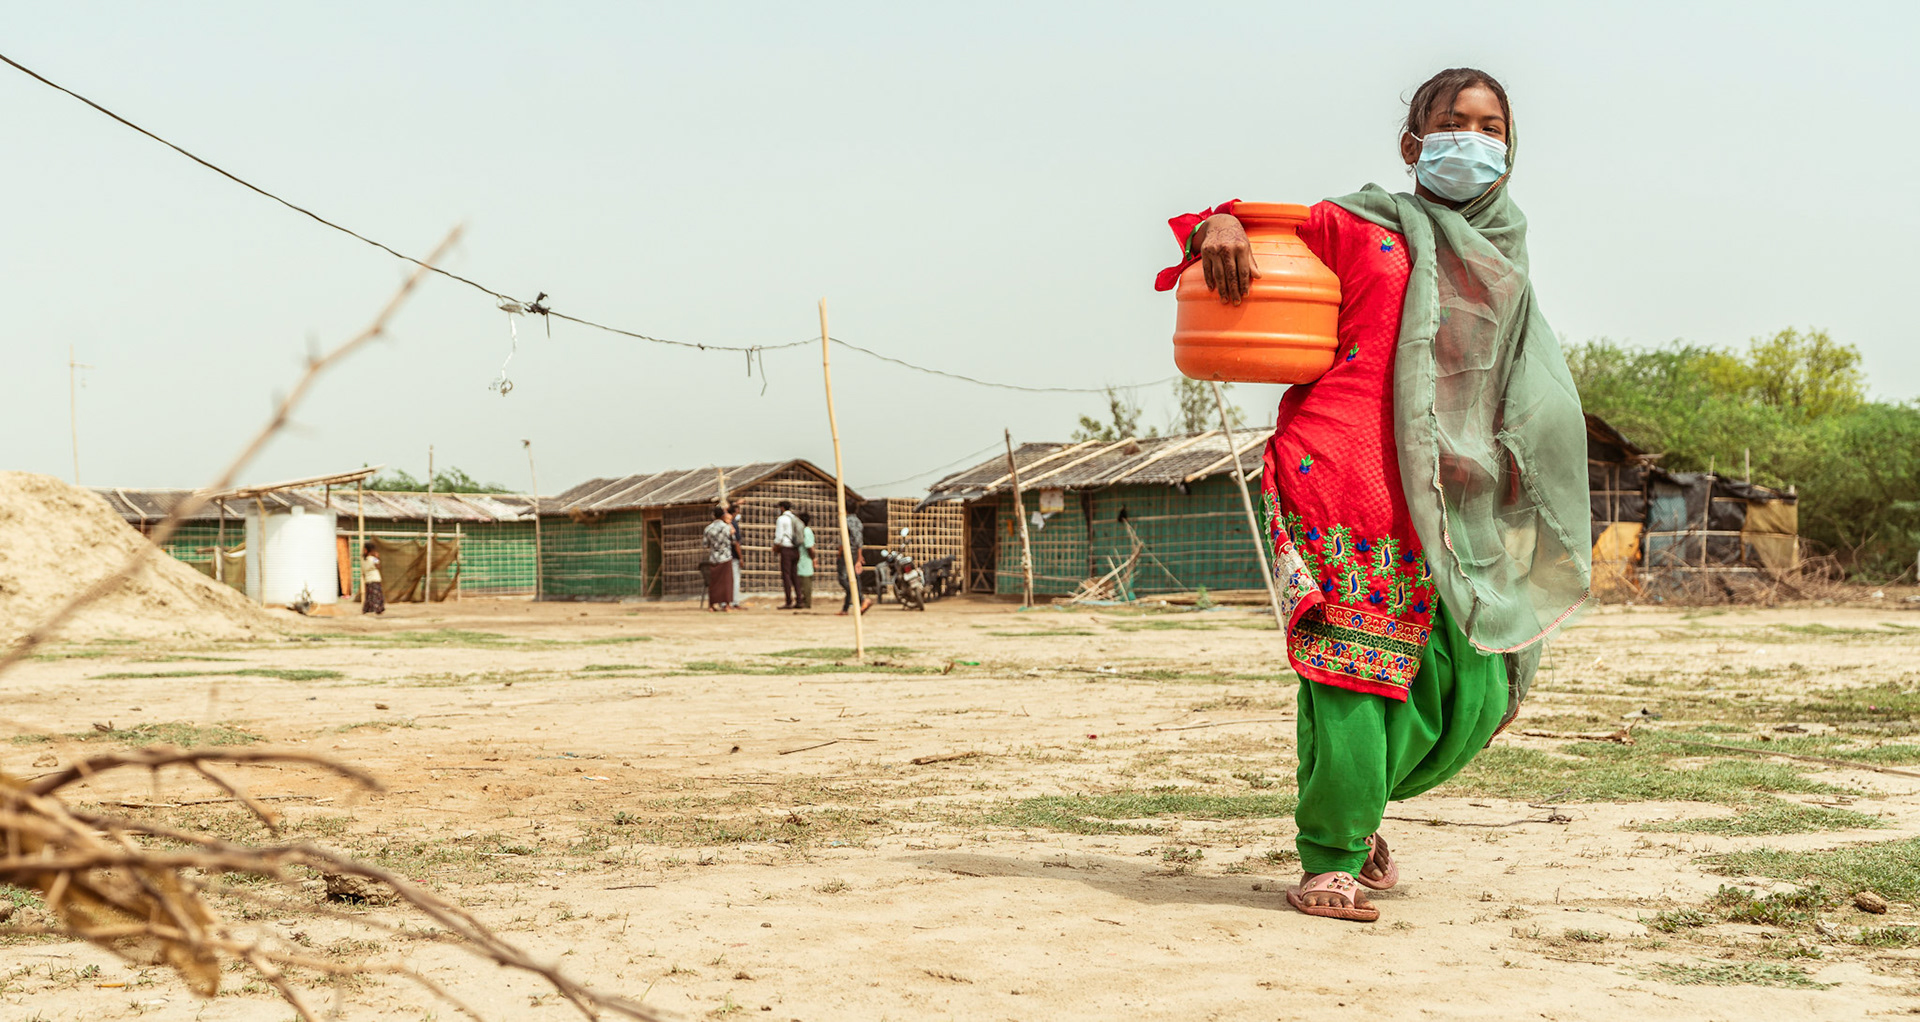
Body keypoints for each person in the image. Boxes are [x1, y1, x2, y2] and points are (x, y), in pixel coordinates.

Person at [1158, 68, 1589, 922]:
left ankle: (1357, 815)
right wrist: (1218, 224)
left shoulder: (1506, 248)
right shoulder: (1364, 226)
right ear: (1412, 143)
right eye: (1453, 122)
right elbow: (1239, 222)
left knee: (1473, 685)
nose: (1474, 138)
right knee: (1352, 671)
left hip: (1455, 503)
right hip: (1342, 476)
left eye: (1491, 126)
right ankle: (1332, 856)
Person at [836, 500, 875, 616]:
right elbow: (859, 541)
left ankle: (862, 599)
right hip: (855, 551)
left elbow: (845, 540)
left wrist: (840, 552)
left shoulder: (846, 521)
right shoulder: (858, 521)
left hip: (848, 551)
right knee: (853, 579)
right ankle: (845, 608)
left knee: (843, 579)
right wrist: (859, 555)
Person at [702, 505, 735, 611]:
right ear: (722, 516)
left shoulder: (708, 528)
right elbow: (733, 539)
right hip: (725, 556)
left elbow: (705, 544)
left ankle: (712, 605)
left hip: (714, 558)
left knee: (714, 583)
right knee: (727, 582)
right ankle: (727, 605)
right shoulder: (727, 527)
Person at [773, 500, 802, 609]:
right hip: (796, 548)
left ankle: (788, 600)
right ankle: (799, 599)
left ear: (782, 508)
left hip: (786, 548)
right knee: (795, 575)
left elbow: (779, 536)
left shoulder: (782, 519)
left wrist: (776, 547)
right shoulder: (795, 518)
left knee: (786, 575)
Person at [726, 499, 749, 610]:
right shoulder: (733, 525)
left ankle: (725, 602)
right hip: (733, 556)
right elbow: (736, 543)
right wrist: (740, 557)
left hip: (724, 557)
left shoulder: (724, 524)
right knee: (735, 580)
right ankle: (734, 602)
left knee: (725, 580)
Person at [794, 510, 816, 610]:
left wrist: (813, 557)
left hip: (805, 560)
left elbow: (809, 547)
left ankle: (807, 603)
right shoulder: (803, 531)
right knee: (802, 581)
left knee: (806, 582)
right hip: (802, 559)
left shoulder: (806, 531)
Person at [360, 542, 385, 616]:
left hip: (368, 580)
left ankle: (366, 609)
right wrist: (377, 557)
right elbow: (378, 566)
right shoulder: (373, 559)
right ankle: (378, 609)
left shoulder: (363, 559)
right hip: (375, 579)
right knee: (377, 595)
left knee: (369, 595)